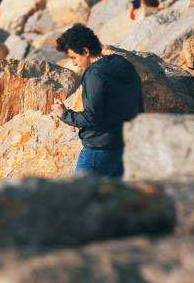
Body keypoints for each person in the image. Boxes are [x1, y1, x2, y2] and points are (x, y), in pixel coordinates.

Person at [49, 24, 143, 178]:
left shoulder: (94, 74)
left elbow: (91, 116)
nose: (73, 63)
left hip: (98, 149)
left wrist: (64, 113)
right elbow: (138, 103)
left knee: (81, 198)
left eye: (74, 57)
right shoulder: (122, 63)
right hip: (124, 146)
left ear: (86, 51)